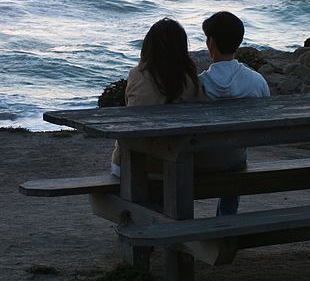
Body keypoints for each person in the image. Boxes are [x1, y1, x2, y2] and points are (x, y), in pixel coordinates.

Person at [110, 17, 204, 177]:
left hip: (134, 163)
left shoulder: (137, 74)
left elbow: (130, 108)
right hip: (179, 162)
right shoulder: (191, 80)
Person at [197, 11, 270, 215]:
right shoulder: (256, 81)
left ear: (210, 43)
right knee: (235, 154)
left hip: (199, 161)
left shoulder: (198, 84)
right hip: (234, 160)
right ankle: (227, 218)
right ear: (239, 43)